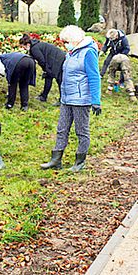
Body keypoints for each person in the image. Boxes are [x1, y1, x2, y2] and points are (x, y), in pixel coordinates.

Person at [41, 25, 101, 172]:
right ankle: (56, 160)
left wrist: (96, 101)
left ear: (73, 39)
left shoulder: (88, 53)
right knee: (62, 129)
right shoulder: (71, 53)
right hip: (67, 98)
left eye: (66, 41)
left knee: (81, 131)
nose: (64, 44)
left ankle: (79, 162)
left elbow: (94, 77)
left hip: (81, 100)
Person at [19, 33, 65, 105]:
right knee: (48, 78)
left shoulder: (34, 49)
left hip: (58, 60)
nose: (23, 49)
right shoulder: (35, 45)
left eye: (23, 47)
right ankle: (43, 96)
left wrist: (46, 70)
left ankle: (62, 100)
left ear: (27, 44)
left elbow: (42, 61)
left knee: (59, 80)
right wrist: (46, 71)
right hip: (54, 59)